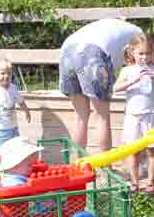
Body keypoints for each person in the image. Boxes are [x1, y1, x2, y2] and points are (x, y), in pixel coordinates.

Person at [59, 18, 143, 153]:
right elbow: (135, 63)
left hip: (67, 49)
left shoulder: (113, 26)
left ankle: (79, 167)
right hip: (92, 51)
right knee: (102, 117)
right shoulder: (139, 35)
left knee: (80, 115)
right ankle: (107, 167)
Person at [114, 34, 154, 196]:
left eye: (147, 53)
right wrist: (132, 81)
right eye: (141, 54)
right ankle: (134, 183)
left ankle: (151, 183)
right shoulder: (127, 70)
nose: (144, 57)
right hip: (133, 117)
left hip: (151, 115)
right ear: (132, 52)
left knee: (152, 150)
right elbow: (115, 88)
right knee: (134, 151)